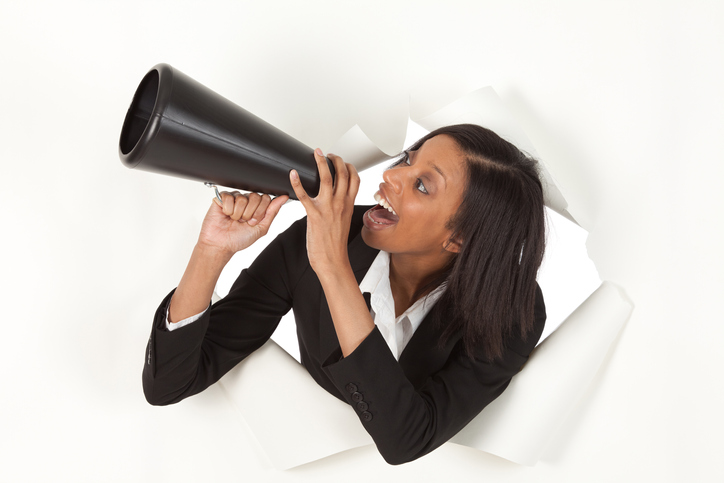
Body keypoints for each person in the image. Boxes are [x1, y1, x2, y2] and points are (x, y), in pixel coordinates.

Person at [142, 123, 547, 465]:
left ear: (458, 238)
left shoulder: (513, 311)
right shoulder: (322, 236)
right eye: (408, 158)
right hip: (307, 461)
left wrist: (332, 268)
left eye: (422, 185)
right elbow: (169, 384)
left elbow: (406, 439)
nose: (391, 177)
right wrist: (212, 252)